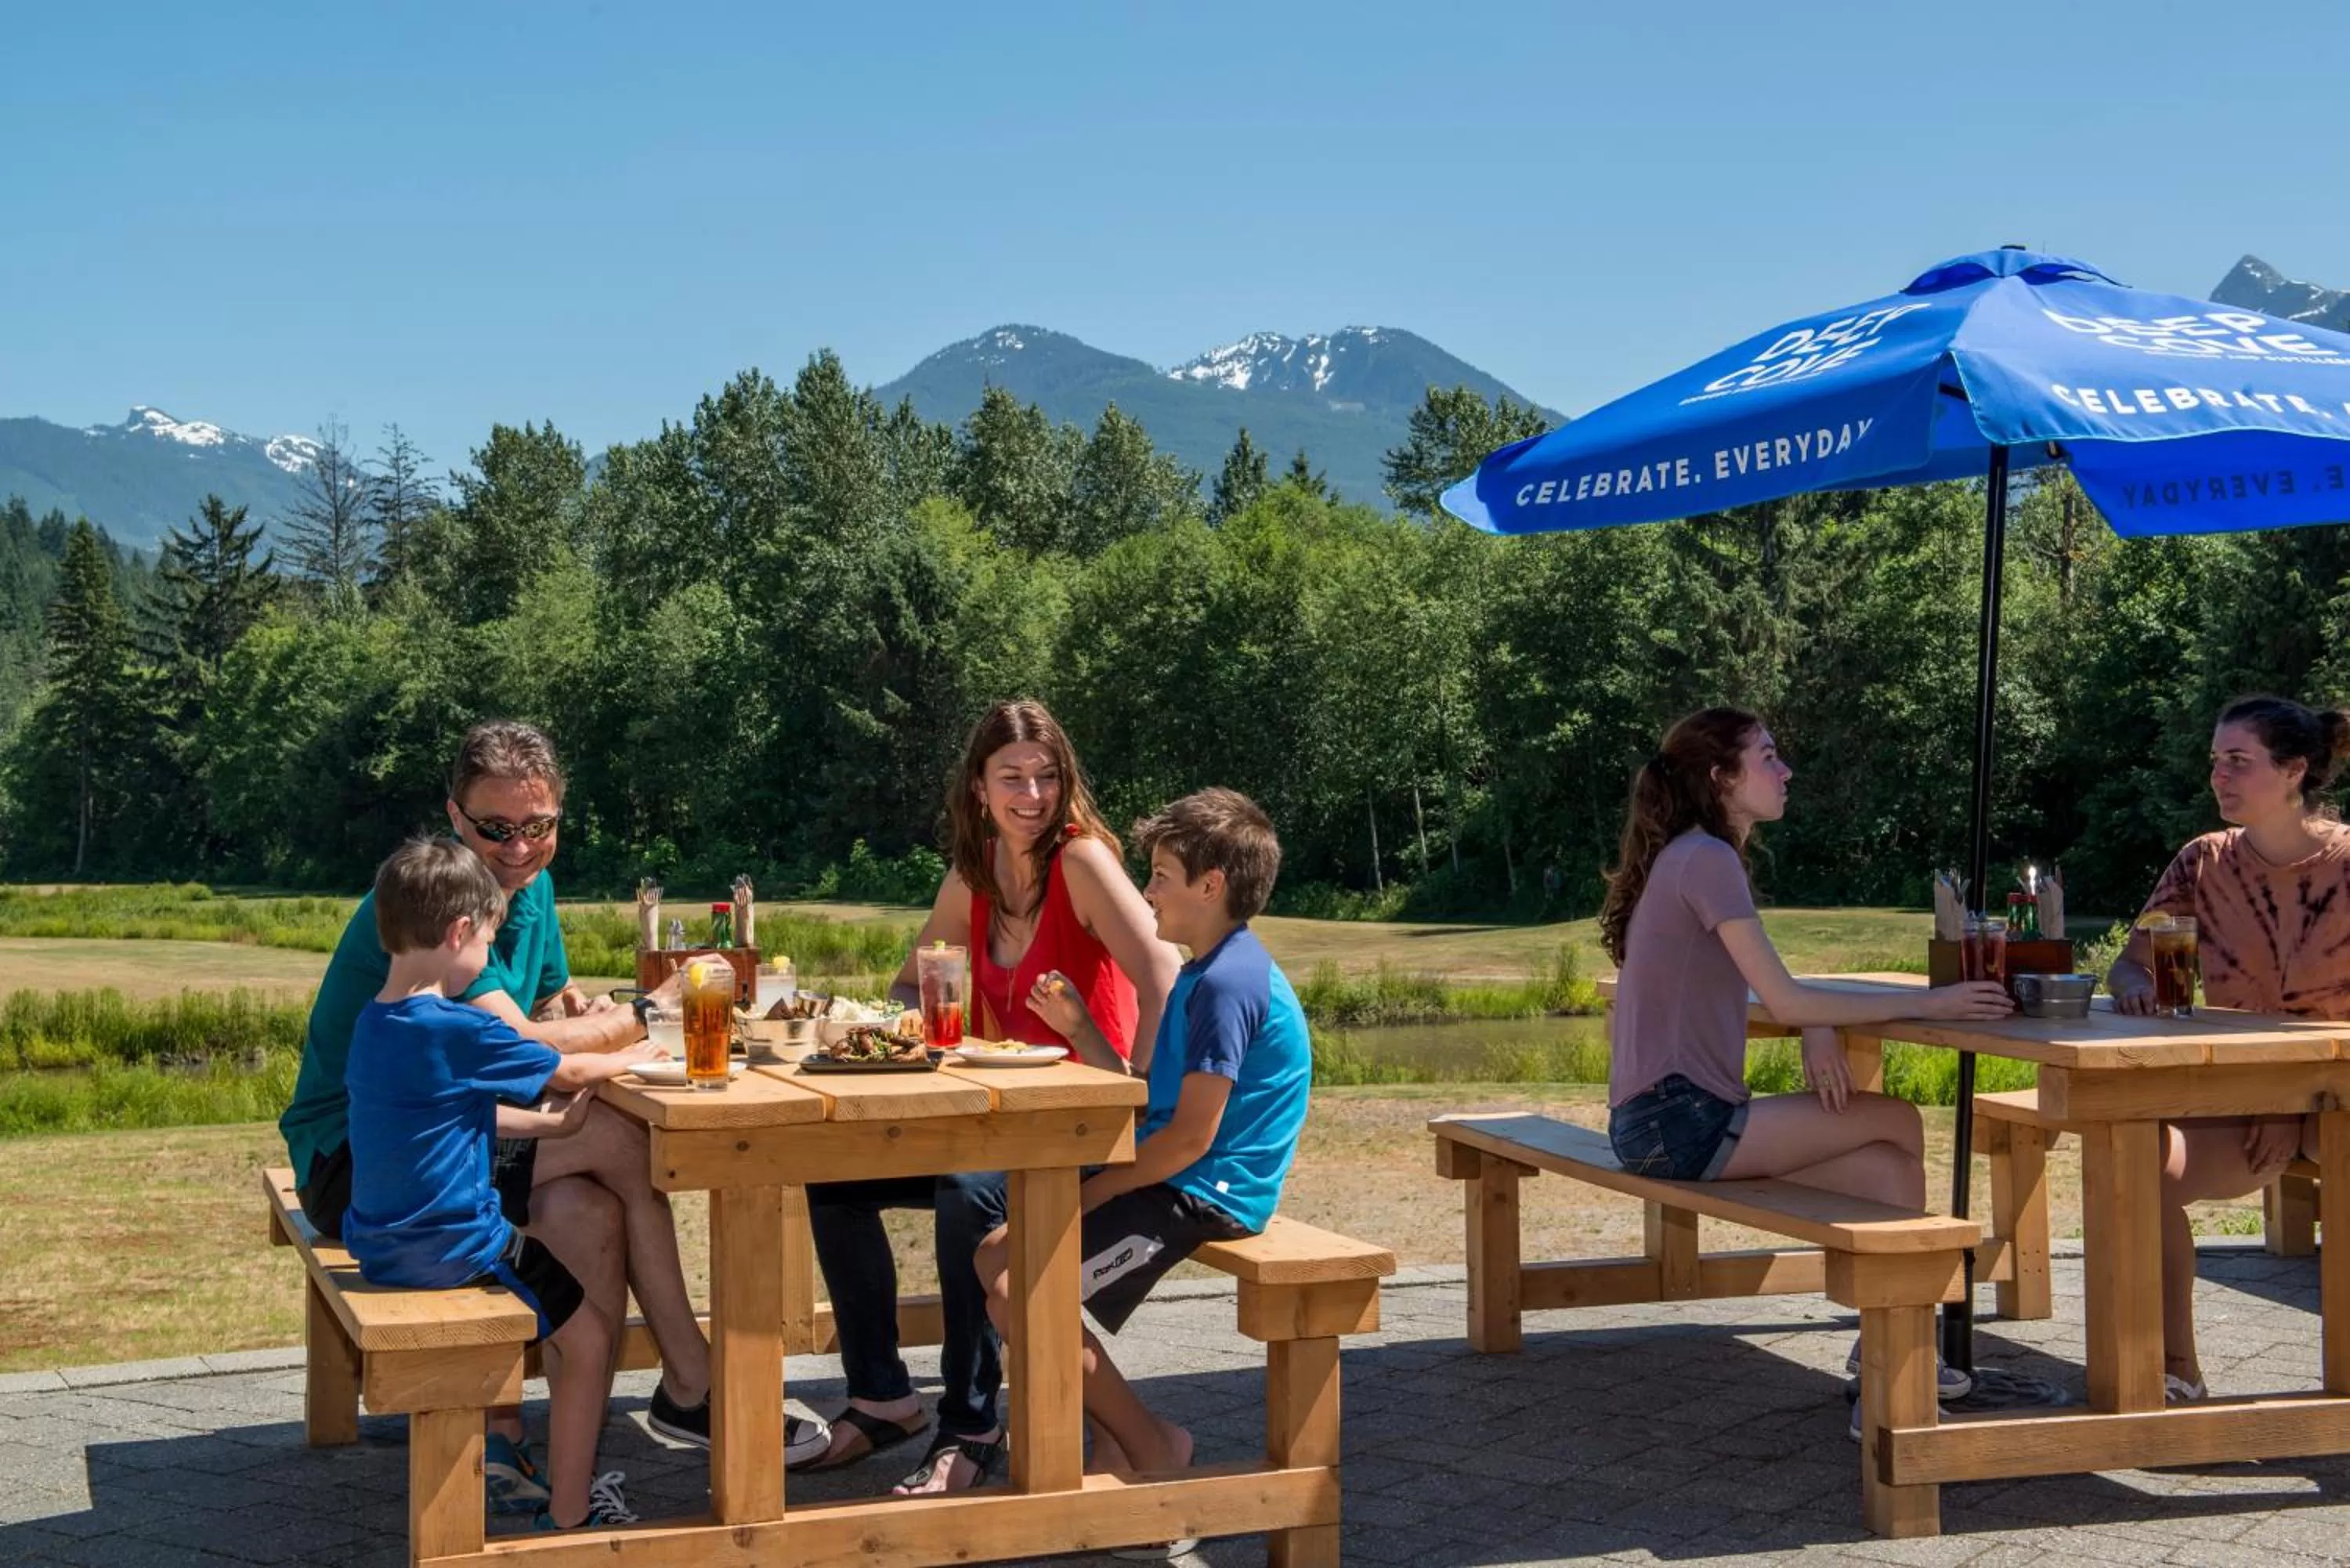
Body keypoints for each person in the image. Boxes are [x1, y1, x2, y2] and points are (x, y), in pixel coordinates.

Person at [279, 721, 824, 1506]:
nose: (519, 848)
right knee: (623, 1140)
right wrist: (649, 1009)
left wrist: (583, 1009)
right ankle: (695, 1384)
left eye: (538, 826)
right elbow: (523, 1043)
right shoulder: (435, 906)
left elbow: (544, 1003)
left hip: (440, 1140)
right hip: (360, 1166)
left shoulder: (529, 893)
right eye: (495, 828)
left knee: (584, 1208)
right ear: (455, 817)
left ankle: (536, 1456)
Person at [801, 699, 1179, 1494]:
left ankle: (970, 1424)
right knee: (835, 1175)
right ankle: (882, 1395)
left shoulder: (1081, 862)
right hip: (996, 1117)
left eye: (1047, 777)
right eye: (1012, 777)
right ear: (978, 786)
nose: (1032, 795)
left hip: (1081, 1127)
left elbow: (1164, 974)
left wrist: (1137, 1093)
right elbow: (909, 983)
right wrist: (910, 1027)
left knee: (969, 1191)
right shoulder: (972, 874)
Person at [1597, 707, 2013, 1427]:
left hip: (1654, 1123)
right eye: (1767, 757)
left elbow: (1763, 983)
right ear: (1722, 778)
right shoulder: (1707, 859)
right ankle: (1891, 1355)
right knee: (1896, 1119)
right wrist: (1936, 1001)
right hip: (1681, 1122)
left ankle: (1889, 1365)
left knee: (1888, 1172)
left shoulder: (1688, 857)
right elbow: (1784, 995)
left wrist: (1818, 1021)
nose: (1785, 770)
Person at [980, 788, 1308, 1535]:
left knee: (1020, 1291)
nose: (1148, 890)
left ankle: (1153, 1445)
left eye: (1160, 876)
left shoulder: (1227, 985)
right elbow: (1149, 1099)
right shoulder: (1203, 972)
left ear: (1210, 886)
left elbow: (1190, 1139)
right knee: (995, 1253)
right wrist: (1082, 1030)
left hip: (1208, 1189)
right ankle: (1113, 1443)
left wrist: (1091, 1195)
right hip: (1172, 1170)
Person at [342, 836, 666, 1530]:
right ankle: (573, 1514)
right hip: (456, 1248)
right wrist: (641, 1051)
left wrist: (550, 1127)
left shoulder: (376, 1022)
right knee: (590, 1337)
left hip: (380, 1245)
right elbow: (569, 1070)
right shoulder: (455, 1027)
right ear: (459, 933)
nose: (487, 952)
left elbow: (442, 1115)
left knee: (572, 1306)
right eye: (488, 939)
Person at [2106, 695, 2347, 1403]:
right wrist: (2136, 990)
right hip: (2238, 1096)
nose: (2219, 776)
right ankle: (2175, 1369)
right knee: (2137, 1169)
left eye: (2238, 761)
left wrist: (2290, 1099)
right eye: (2216, 761)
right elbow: (2130, 963)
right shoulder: (2203, 861)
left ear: (2294, 769)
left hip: (2337, 1092)